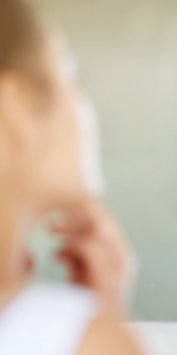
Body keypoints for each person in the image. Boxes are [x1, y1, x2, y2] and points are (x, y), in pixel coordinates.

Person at [0, 0, 144, 353]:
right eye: (71, 77)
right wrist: (103, 321)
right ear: (16, 108)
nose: (85, 106)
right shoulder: (85, 339)